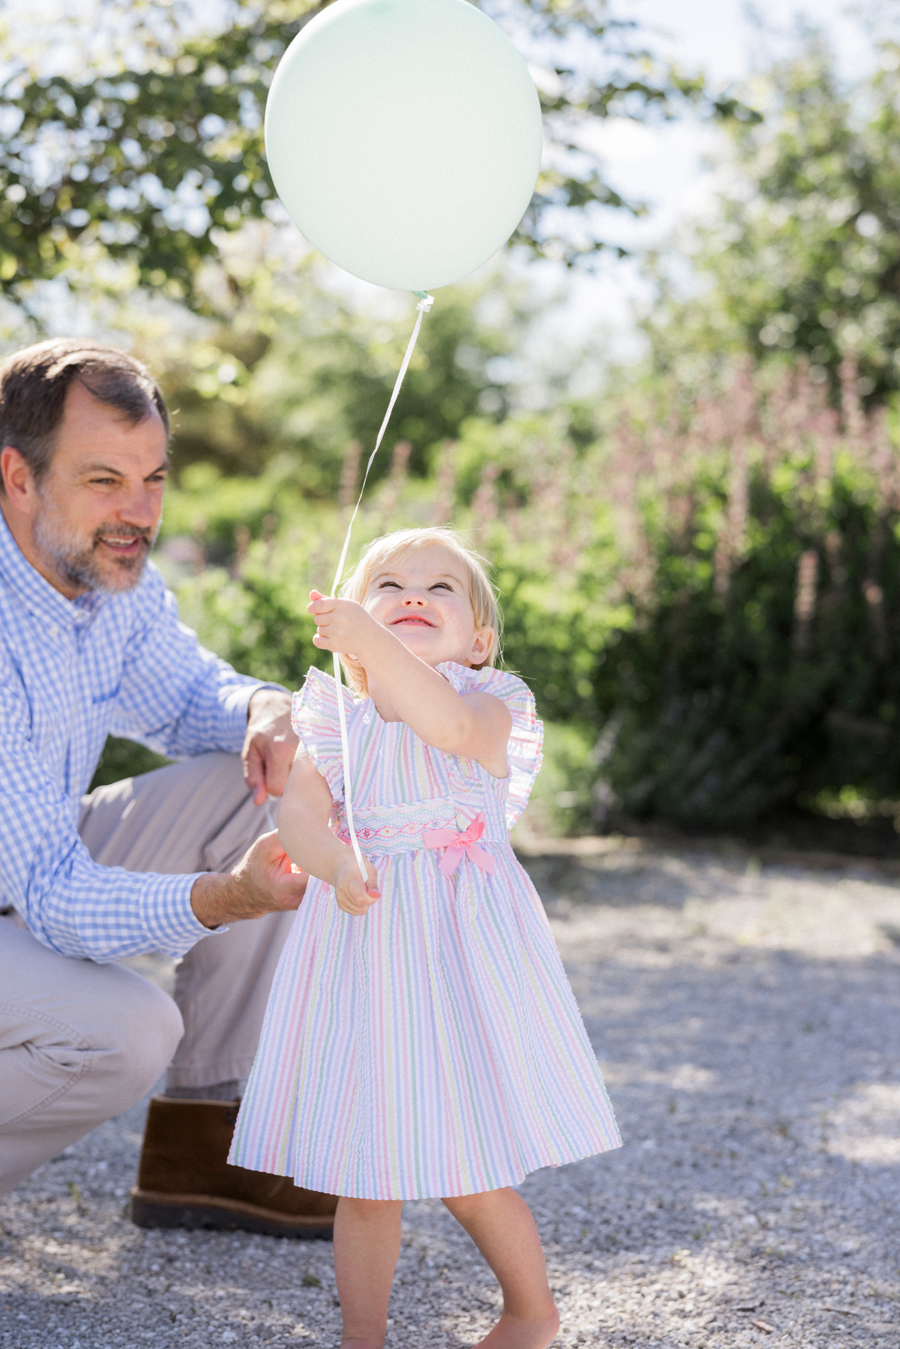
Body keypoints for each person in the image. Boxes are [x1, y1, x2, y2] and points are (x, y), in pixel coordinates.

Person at [229, 526, 622, 1349]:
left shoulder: (490, 703)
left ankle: (530, 1310)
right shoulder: (334, 715)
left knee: (469, 1161)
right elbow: (298, 809)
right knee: (365, 1168)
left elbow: (441, 724)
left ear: (479, 640)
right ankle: (361, 1336)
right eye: (390, 585)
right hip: (367, 946)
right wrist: (333, 862)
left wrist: (374, 642)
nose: (414, 595)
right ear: (348, 624)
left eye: (441, 588)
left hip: (456, 956)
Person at [0, 338, 337, 1237]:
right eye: (105, 479)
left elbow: (192, 698)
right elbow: (58, 899)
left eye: (153, 478)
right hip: (33, 886)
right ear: (17, 476)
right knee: (127, 1027)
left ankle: (206, 1140)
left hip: (24, 875)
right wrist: (226, 897)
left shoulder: (108, 582)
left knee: (279, 777)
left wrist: (267, 708)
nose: (138, 512)